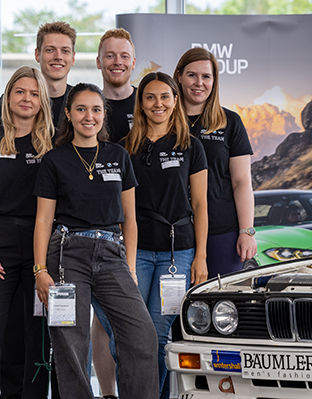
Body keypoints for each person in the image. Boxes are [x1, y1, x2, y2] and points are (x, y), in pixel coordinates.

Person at [33, 83, 158, 399]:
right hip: (67, 253)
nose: (89, 116)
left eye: (96, 109)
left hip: (112, 252)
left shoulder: (118, 155)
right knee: (71, 342)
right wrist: (40, 270)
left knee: (142, 334)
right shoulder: (54, 160)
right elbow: (44, 220)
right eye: (81, 109)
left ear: (104, 114)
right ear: (68, 114)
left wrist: (129, 267)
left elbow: (130, 218)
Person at [0, 66, 54, 399]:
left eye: (33, 93)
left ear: (42, 100)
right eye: (20, 91)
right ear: (8, 96)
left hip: (40, 247)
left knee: (35, 333)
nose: (26, 98)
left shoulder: (54, 143)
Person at [124, 71, 208, 398]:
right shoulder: (125, 149)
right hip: (138, 252)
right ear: (141, 103)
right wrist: (127, 261)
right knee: (132, 335)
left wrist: (200, 257)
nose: (158, 103)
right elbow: (123, 212)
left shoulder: (192, 147)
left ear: (175, 101)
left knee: (158, 336)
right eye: (150, 97)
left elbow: (200, 204)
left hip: (178, 253)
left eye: (165, 97)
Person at [174, 47, 257, 277]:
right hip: (173, 234)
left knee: (220, 305)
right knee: (172, 308)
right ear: (179, 77)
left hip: (221, 232)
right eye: (192, 75)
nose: (199, 83)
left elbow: (241, 182)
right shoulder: (163, 122)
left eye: (206, 76)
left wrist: (246, 231)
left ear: (214, 81)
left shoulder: (230, 122)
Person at [91, 27, 138, 399]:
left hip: (147, 225)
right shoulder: (88, 106)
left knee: (143, 322)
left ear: (133, 62)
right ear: (99, 61)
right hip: (100, 229)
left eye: (123, 56)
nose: (117, 62)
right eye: (110, 55)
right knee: (101, 321)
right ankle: (107, 394)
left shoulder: (153, 102)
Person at [0, 21, 77, 130]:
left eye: (65, 51)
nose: (58, 56)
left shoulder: (81, 102)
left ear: (72, 58)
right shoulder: (13, 100)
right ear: (37, 54)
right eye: (50, 50)